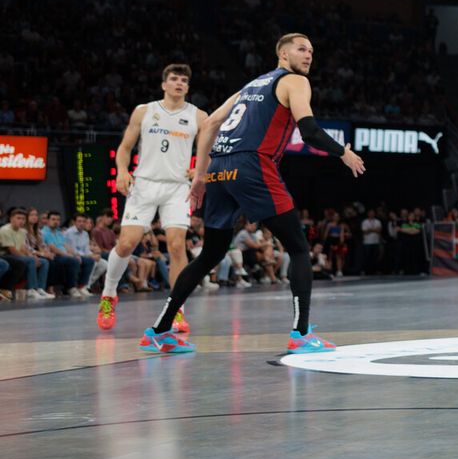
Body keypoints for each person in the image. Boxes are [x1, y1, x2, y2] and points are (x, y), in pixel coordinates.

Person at [140, 33, 366, 355]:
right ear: (283, 54)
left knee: (209, 255)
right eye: (302, 49)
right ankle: (301, 334)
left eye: (312, 51)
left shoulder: (249, 86)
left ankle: (159, 331)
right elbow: (311, 131)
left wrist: (201, 175)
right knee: (299, 249)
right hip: (251, 165)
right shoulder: (294, 82)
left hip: (219, 169)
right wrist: (342, 154)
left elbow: (210, 125)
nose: (309, 55)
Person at [101, 64, 201, 332]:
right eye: (174, 79)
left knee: (178, 246)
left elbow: (211, 149)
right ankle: (109, 294)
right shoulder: (145, 111)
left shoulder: (198, 116)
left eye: (184, 81)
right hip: (144, 184)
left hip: (177, 187)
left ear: (187, 87)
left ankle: (176, 309)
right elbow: (124, 147)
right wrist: (122, 171)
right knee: (126, 244)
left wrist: (200, 168)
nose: (179, 83)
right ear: (164, 84)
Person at [1, 207, 48, 300]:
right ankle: (31, 290)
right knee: (30, 261)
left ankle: (40, 289)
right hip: (5, 255)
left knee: (44, 262)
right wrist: (30, 259)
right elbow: (12, 250)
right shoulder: (5, 230)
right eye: (18, 218)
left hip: (16, 254)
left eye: (23, 219)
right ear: (11, 219)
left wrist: (32, 256)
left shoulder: (23, 231)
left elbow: (23, 248)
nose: (21, 221)